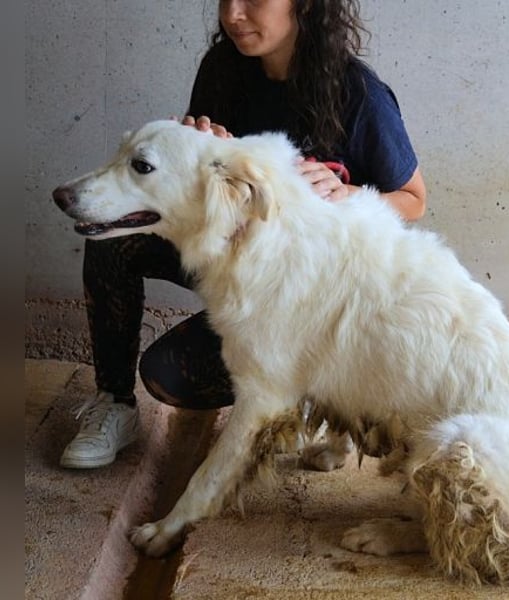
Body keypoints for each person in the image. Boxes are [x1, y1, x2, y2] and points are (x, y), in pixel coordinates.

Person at [60, 0, 426, 469]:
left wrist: (349, 190)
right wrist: (193, 143)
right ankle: (113, 404)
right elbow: (190, 189)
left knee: (168, 376)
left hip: (294, 301)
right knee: (110, 240)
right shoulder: (222, 68)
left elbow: (414, 200)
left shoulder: (358, 93)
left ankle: (306, 388)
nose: (233, 15)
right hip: (225, 263)